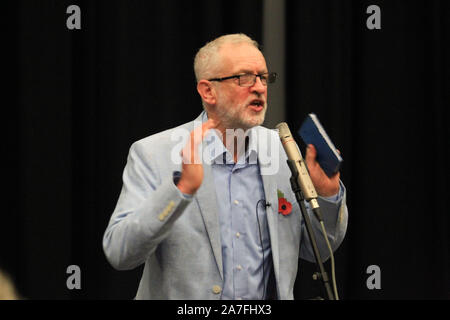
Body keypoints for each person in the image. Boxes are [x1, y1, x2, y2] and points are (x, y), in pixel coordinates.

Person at [103, 33, 348, 300]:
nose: (259, 88)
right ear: (208, 91)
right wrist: (180, 190)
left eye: (263, 77)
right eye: (244, 77)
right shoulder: (155, 153)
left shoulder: (280, 150)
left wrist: (326, 195)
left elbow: (317, 252)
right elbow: (120, 252)